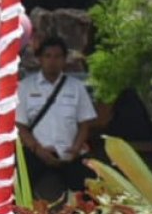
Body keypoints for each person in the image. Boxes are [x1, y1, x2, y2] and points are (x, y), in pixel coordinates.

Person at [16, 35, 97, 204]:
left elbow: (84, 124)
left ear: (64, 59)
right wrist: (38, 149)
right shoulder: (25, 86)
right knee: (16, 189)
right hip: (36, 151)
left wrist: (75, 149)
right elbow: (21, 125)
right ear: (39, 59)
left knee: (90, 192)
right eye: (48, 56)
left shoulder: (76, 87)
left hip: (69, 153)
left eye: (58, 56)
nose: (52, 61)